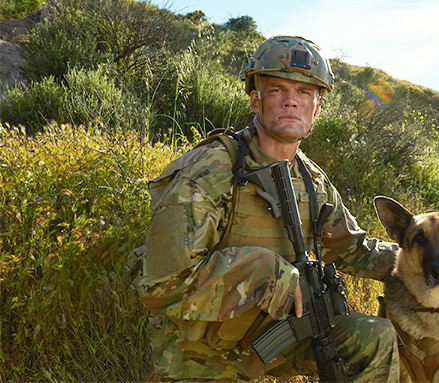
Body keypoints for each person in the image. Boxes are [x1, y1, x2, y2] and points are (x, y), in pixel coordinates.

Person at [137, 35, 401, 382]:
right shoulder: (215, 169)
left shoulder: (311, 180)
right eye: (277, 90)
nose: (292, 101)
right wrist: (268, 274)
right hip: (202, 353)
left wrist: (423, 256)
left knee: (376, 338)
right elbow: (160, 286)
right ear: (255, 99)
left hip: (276, 336)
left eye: (305, 93)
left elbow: (356, 251)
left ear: (317, 108)